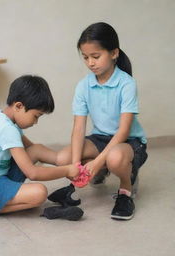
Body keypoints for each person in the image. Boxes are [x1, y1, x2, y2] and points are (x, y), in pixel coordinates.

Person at [56, 22, 148, 220]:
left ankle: (126, 186)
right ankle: (101, 168)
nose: (90, 63)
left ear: (114, 53)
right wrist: (75, 165)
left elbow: (123, 131)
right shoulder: (83, 86)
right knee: (63, 159)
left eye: (96, 56)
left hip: (129, 142)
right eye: (86, 57)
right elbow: (78, 129)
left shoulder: (126, 84)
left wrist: (98, 161)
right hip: (100, 138)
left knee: (115, 158)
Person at [0, 75, 80, 217]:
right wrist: (66, 171)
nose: (35, 122)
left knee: (36, 149)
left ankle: (63, 160)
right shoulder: (6, 129)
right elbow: (32, 173)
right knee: (39, 193)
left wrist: (62, 165)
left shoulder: (5, 118)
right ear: (19, 106)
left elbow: (32, 150)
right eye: (36, 116)